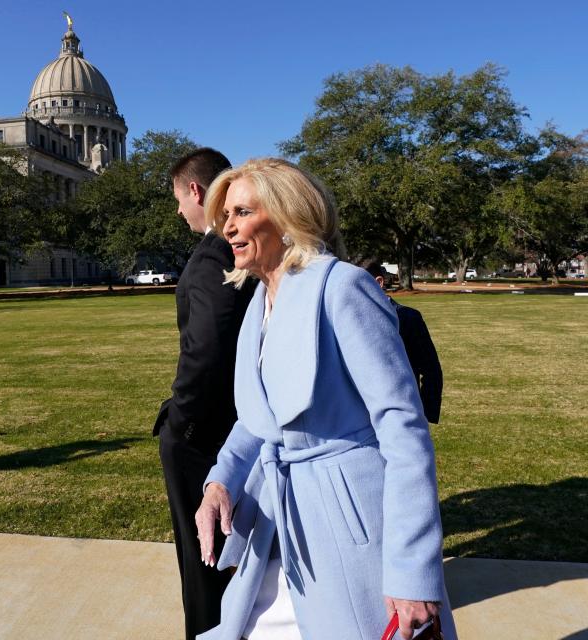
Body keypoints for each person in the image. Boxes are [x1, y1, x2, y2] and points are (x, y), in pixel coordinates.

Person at [194, 159, 457, 640]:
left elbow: (403, 428)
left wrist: (411, 568)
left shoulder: (343, 288)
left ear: (286, 215)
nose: (227, 227)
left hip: (351, 530)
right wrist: (220, 483)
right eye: (225, 215)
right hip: (280, 526)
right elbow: (259, 417)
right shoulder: (260, 302)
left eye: (242, 212)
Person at [155, 147, 255, 639]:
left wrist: (182, 418)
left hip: (204, 432)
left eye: (178, 197)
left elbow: (208, 346)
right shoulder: (239, 253)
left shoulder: (214, 254)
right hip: (231, 425)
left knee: (201, 553)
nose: (178, 210)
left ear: (196, 190)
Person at [362, 260, 443, 424]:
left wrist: (425, 415)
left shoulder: (408, 318)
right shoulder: (348, 320)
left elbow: (431, 370)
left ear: (378, 282)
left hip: (401, 413)